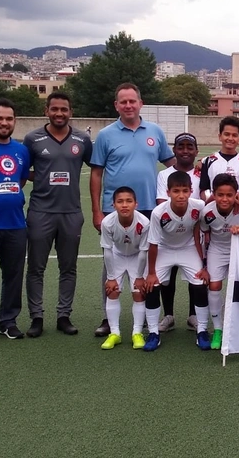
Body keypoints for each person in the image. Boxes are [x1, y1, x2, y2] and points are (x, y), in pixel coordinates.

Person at [90, 83, 175, 337]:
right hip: (114, 211)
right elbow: (96, 174)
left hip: (149, 209)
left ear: (141, 103)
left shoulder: (155, 131)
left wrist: (196, 169)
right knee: (111, 263)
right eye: (123, 102)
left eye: (132, 101)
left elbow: (171, 164)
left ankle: (149, 317)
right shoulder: (106, 135)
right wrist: (97, 211)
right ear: (116, 105)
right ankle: (108, 316)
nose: (128, 105)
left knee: (150, 265)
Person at [23, 92, 93, 337]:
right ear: (47, 111)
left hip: (71, 213)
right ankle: (37, 317)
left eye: (64, 109)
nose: (59, 113)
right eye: (55, 109)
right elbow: (23, 172)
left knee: (68, 267)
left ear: (70, 112)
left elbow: (95, 169)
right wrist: (41, 177)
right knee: (35, 268)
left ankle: (64, 315)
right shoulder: (32, 139)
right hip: (40, 212)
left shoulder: (82, 139)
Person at [143, 171, 207, 351]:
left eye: (185, 191)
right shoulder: (158, 213)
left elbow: (214, 208)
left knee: (200, 283)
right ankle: (154, 332)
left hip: (188, 248)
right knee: (152, 286)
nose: (181, 195)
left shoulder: (199, 206)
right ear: (168, 192)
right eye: (176, 191)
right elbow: (153, 244)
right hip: (165, 249)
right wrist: (151, 273)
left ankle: (202, 330)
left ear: (191, 191)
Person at [0, 98, 30, 344]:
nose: (4, 123)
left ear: (14, 121)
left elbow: (20, 181)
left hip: (15, 225)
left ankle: (8, 322)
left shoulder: (21, 150)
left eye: (9, 118)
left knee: (13, 276)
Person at [200, 173, 239, 350]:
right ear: (214, 194)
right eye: (220, 195)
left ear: (236, 195)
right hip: (217, 249)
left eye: (230, 195)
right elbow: (203, 233)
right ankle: (218, 329)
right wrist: (203, 264)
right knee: (215, 286)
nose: (225, 199)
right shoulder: (207, 212)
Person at [155, 132, 201, 333]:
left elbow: (205, 203)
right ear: (174, 150)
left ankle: (193, 316)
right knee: (167, 277)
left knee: (196, 276)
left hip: (194, 234)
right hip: (169, 233)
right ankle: (169, 315)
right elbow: (161, 203)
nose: (185, 151)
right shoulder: (164, 175)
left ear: (196, 151)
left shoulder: (202, 173)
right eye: (180, 147)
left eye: (189, 147)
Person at [99, 187, 150, 350]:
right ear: (113, 205)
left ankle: (137, 333)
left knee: (139, 293)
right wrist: (112, 277)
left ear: (136, 204)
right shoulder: (107, 222)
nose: (124, 205)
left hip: (137, 257)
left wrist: (141, 276)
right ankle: (114, 333)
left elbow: (143, 252)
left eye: (129, 201)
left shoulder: (144, 223)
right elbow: (107, 250)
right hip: (117, 256)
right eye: (120, 201)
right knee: (112, 291)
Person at [199, 115, 239, 202]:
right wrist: (209, 199)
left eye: (234, 135)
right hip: (215, 209)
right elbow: (204, 189)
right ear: (220, 136)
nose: (230, 138)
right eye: (226, 134)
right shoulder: (208, 161)